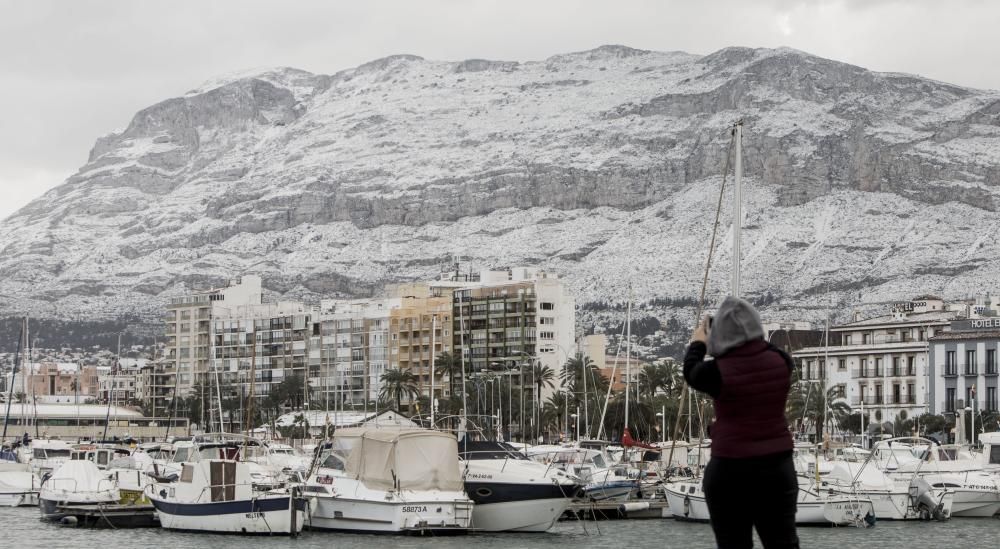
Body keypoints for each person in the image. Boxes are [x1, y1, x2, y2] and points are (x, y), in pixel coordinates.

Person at [683, 296, 799, 549]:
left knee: (733, 544)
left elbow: (691, 371)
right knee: (783, 542)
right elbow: (768, 349)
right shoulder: (782, 362)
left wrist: (699, 342)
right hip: (777, 468)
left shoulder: (718, 371)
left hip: (729, 470)